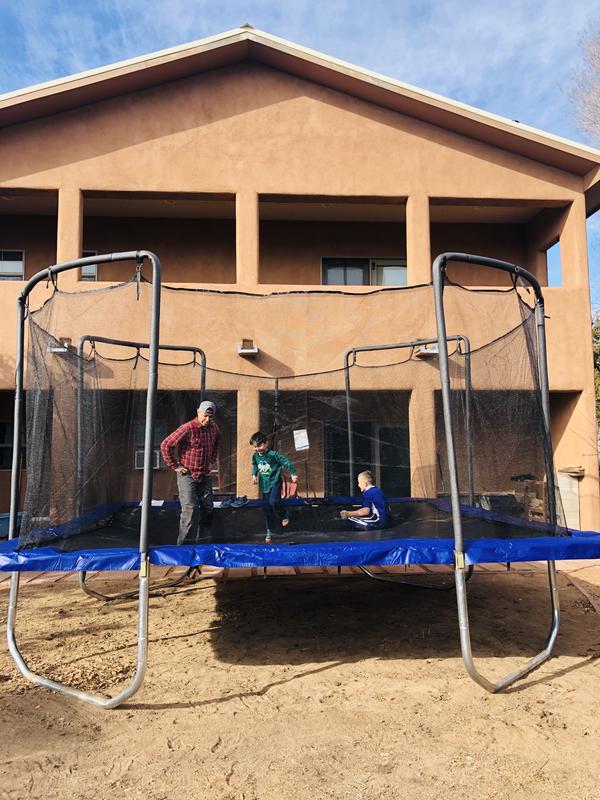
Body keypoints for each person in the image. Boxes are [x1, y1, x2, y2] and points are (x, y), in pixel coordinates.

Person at [160, 400, 220, 545]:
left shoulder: (214, 428)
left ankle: (203, 543)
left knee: (208, 508)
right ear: (198, 412)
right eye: (205, 416)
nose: (207, 420)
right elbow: (166, 444)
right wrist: (174, 466)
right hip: (187, 474)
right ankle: (182, 547)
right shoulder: (187, 428)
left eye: (211, 417)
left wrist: (211, 458)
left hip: (204, 474)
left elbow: (216, 442)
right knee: (190, 509)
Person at [250, 431, 298, 543]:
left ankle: (284, 514)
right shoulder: (255, 456)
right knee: (266, 507)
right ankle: (269, 530)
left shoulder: (273, 455)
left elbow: (285, 461)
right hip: (264, 483)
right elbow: (255, 465)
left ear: (266, 444)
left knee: (274, 501)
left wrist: (293, 473)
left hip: (275, 481)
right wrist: (254, 475)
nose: (258, 449)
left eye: (260, 445)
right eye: (255, 447)